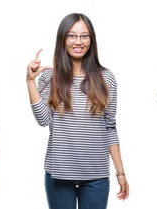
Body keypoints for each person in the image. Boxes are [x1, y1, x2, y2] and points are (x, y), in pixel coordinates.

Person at [26, 13, 129, 209]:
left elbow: (110, 127)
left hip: (96, 176)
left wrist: (120, 172)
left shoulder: (106, 78)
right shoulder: (49, 76)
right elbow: (43, 120)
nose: (78, 42)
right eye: (72, 36)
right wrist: (30, 82)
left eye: (84, 36)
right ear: (63, 39)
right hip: (59, 173)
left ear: (91, 40)